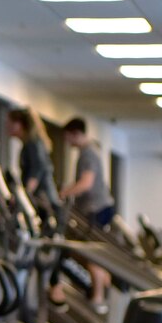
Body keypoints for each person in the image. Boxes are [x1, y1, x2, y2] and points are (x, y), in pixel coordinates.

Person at [59, 117, 114, 309]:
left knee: (92, 256)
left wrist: (62, 193)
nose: (67, 142)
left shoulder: (87, 154)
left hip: (96, 209)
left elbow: (86, 183)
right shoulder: (90, 151)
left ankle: (97, 299)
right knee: (92, 254)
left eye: (68, 137)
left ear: (76, 134)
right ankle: (104, 294)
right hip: (99, 208)